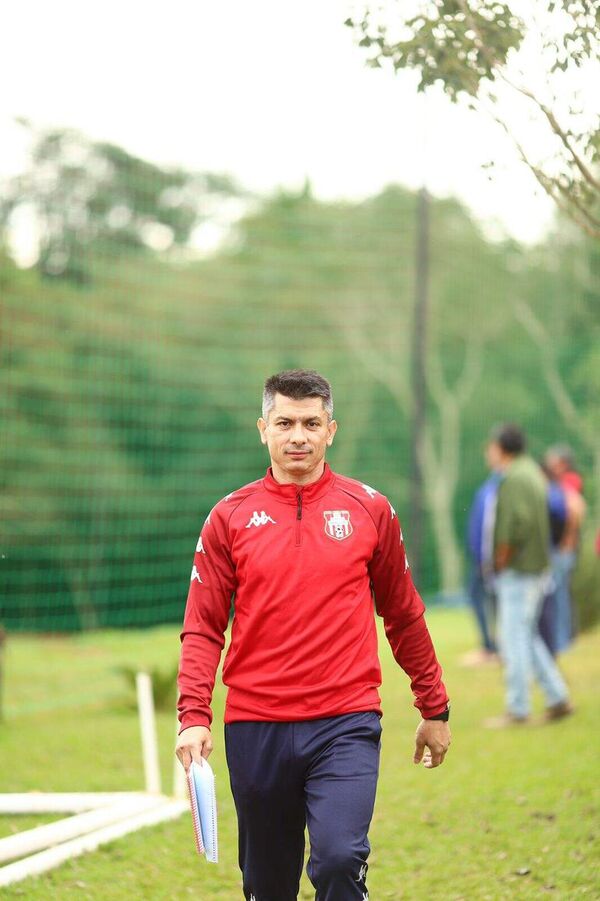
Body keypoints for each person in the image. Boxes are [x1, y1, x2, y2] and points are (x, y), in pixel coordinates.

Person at [175, 369, 450, 901]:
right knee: (268, 883)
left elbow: (404, 614)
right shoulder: (228, 517)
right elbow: (203, 627)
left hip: (345, 721)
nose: (297, 435)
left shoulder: (370, 509)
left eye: (310, 423)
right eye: (285, 422)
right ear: (263, 429)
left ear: (331, 429)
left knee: (339, 859)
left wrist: (434, 708)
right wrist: (192, 716)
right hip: (257, 726)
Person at [484, 424, 573, 728]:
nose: (488, 452)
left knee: (513, 639)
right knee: (527, 636)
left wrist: (501, 560)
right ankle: (557, 697)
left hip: (519, 572)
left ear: (502, 448)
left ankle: (518, 708)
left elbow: (514, 525)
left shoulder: (514, 478)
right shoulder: (532, 471)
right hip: (535, 569)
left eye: (491, 446)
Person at [543, 445, 586, 653]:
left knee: (560, 597)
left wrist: (567, 541)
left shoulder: (569, 481)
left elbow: (575, 509)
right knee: (561, 595)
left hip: (564, 549)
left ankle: (563, 641)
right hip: (564, 548)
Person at [461, 448, 502, 665]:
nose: (487, 454)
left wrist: (491, 559)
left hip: (492, 561)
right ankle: (491, 646)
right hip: (483, 559)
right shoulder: (492, 484)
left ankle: (494, 647)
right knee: (481, 598)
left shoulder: (501, 485)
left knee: (493, 602)